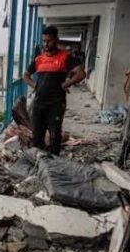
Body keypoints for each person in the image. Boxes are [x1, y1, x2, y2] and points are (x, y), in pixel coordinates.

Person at [23, 25, 86, 156]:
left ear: (56, 40)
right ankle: (38, 162)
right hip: (39, 103)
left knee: (54, 135)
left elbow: (80, 74)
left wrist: (66, 84)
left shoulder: (65, 57)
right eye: (44, 41)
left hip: (56, 104)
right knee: (37, 136)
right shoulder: (39, 59)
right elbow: (25, 75)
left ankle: (54, 164)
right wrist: (35, 86)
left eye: (49, 41)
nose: (46, 44)